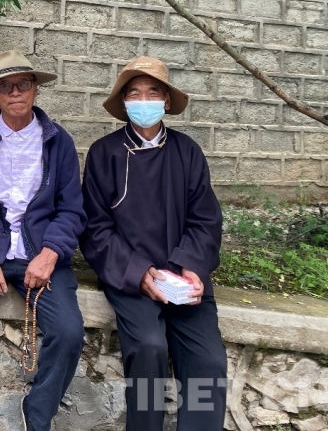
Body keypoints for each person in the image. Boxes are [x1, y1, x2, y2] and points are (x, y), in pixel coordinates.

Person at [79, 56, 227, 431]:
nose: (144, 100)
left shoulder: (188, 152)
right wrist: (139, 274)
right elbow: (95, 228)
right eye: (134, 93)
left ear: (167, 101)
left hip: (184, 279)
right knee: (148, 347)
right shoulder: (104, 154)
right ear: (124, 101)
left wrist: (193, 267)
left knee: (208, 362)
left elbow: (205, 219)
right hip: (132, 279)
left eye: (153, 92)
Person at [0, 50, 86, 431]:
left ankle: (37, 414)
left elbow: (71, 208)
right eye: (5, 86)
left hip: (40, 251)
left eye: (22, 84)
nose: (15, 93)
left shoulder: (58, 142)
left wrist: (51, 253)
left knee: (69, 332)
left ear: (36, 88)